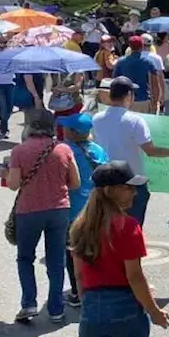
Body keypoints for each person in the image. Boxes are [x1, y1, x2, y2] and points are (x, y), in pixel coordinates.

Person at [70, 161, 169, 337]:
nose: (134, 193)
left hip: (92, 311)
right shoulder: (128, 227)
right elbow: (134, 276)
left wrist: (89, 307)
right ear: (110, 191)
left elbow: (80, 277)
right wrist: (155, 311)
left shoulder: (79, 227)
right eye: (128, 188)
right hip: (127, 311)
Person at [7, 109, 80, 323]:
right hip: (59, 210)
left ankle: (29, 303)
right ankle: (56, 309)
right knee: (56, 260)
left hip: (28, 210)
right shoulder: (63, 149)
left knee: (25, 257)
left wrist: (7, 173)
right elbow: (75, 183)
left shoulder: (19, 151)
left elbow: (13, 185)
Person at [91, 77, 169, 224]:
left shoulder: (97, 118)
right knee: (132, 227)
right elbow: (151, 150)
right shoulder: (135, 121)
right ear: (129, 96)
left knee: (108, 225)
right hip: (132, 181)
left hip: (106, 180)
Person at [57, 113, 108, 308]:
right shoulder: (98, 150)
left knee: (73, 252)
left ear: (72, 132)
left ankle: (77, 293)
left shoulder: (64, 151)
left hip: (73, 212)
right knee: (97, 249)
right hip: (98, 209)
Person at [112, 36, 157, 113]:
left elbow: (115, 81)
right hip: (143, 100)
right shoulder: (148, 63)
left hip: (125, 101)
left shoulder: (120, 62)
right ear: (142, 46)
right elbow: (155, 84)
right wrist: (155, 101)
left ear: (130, 46)